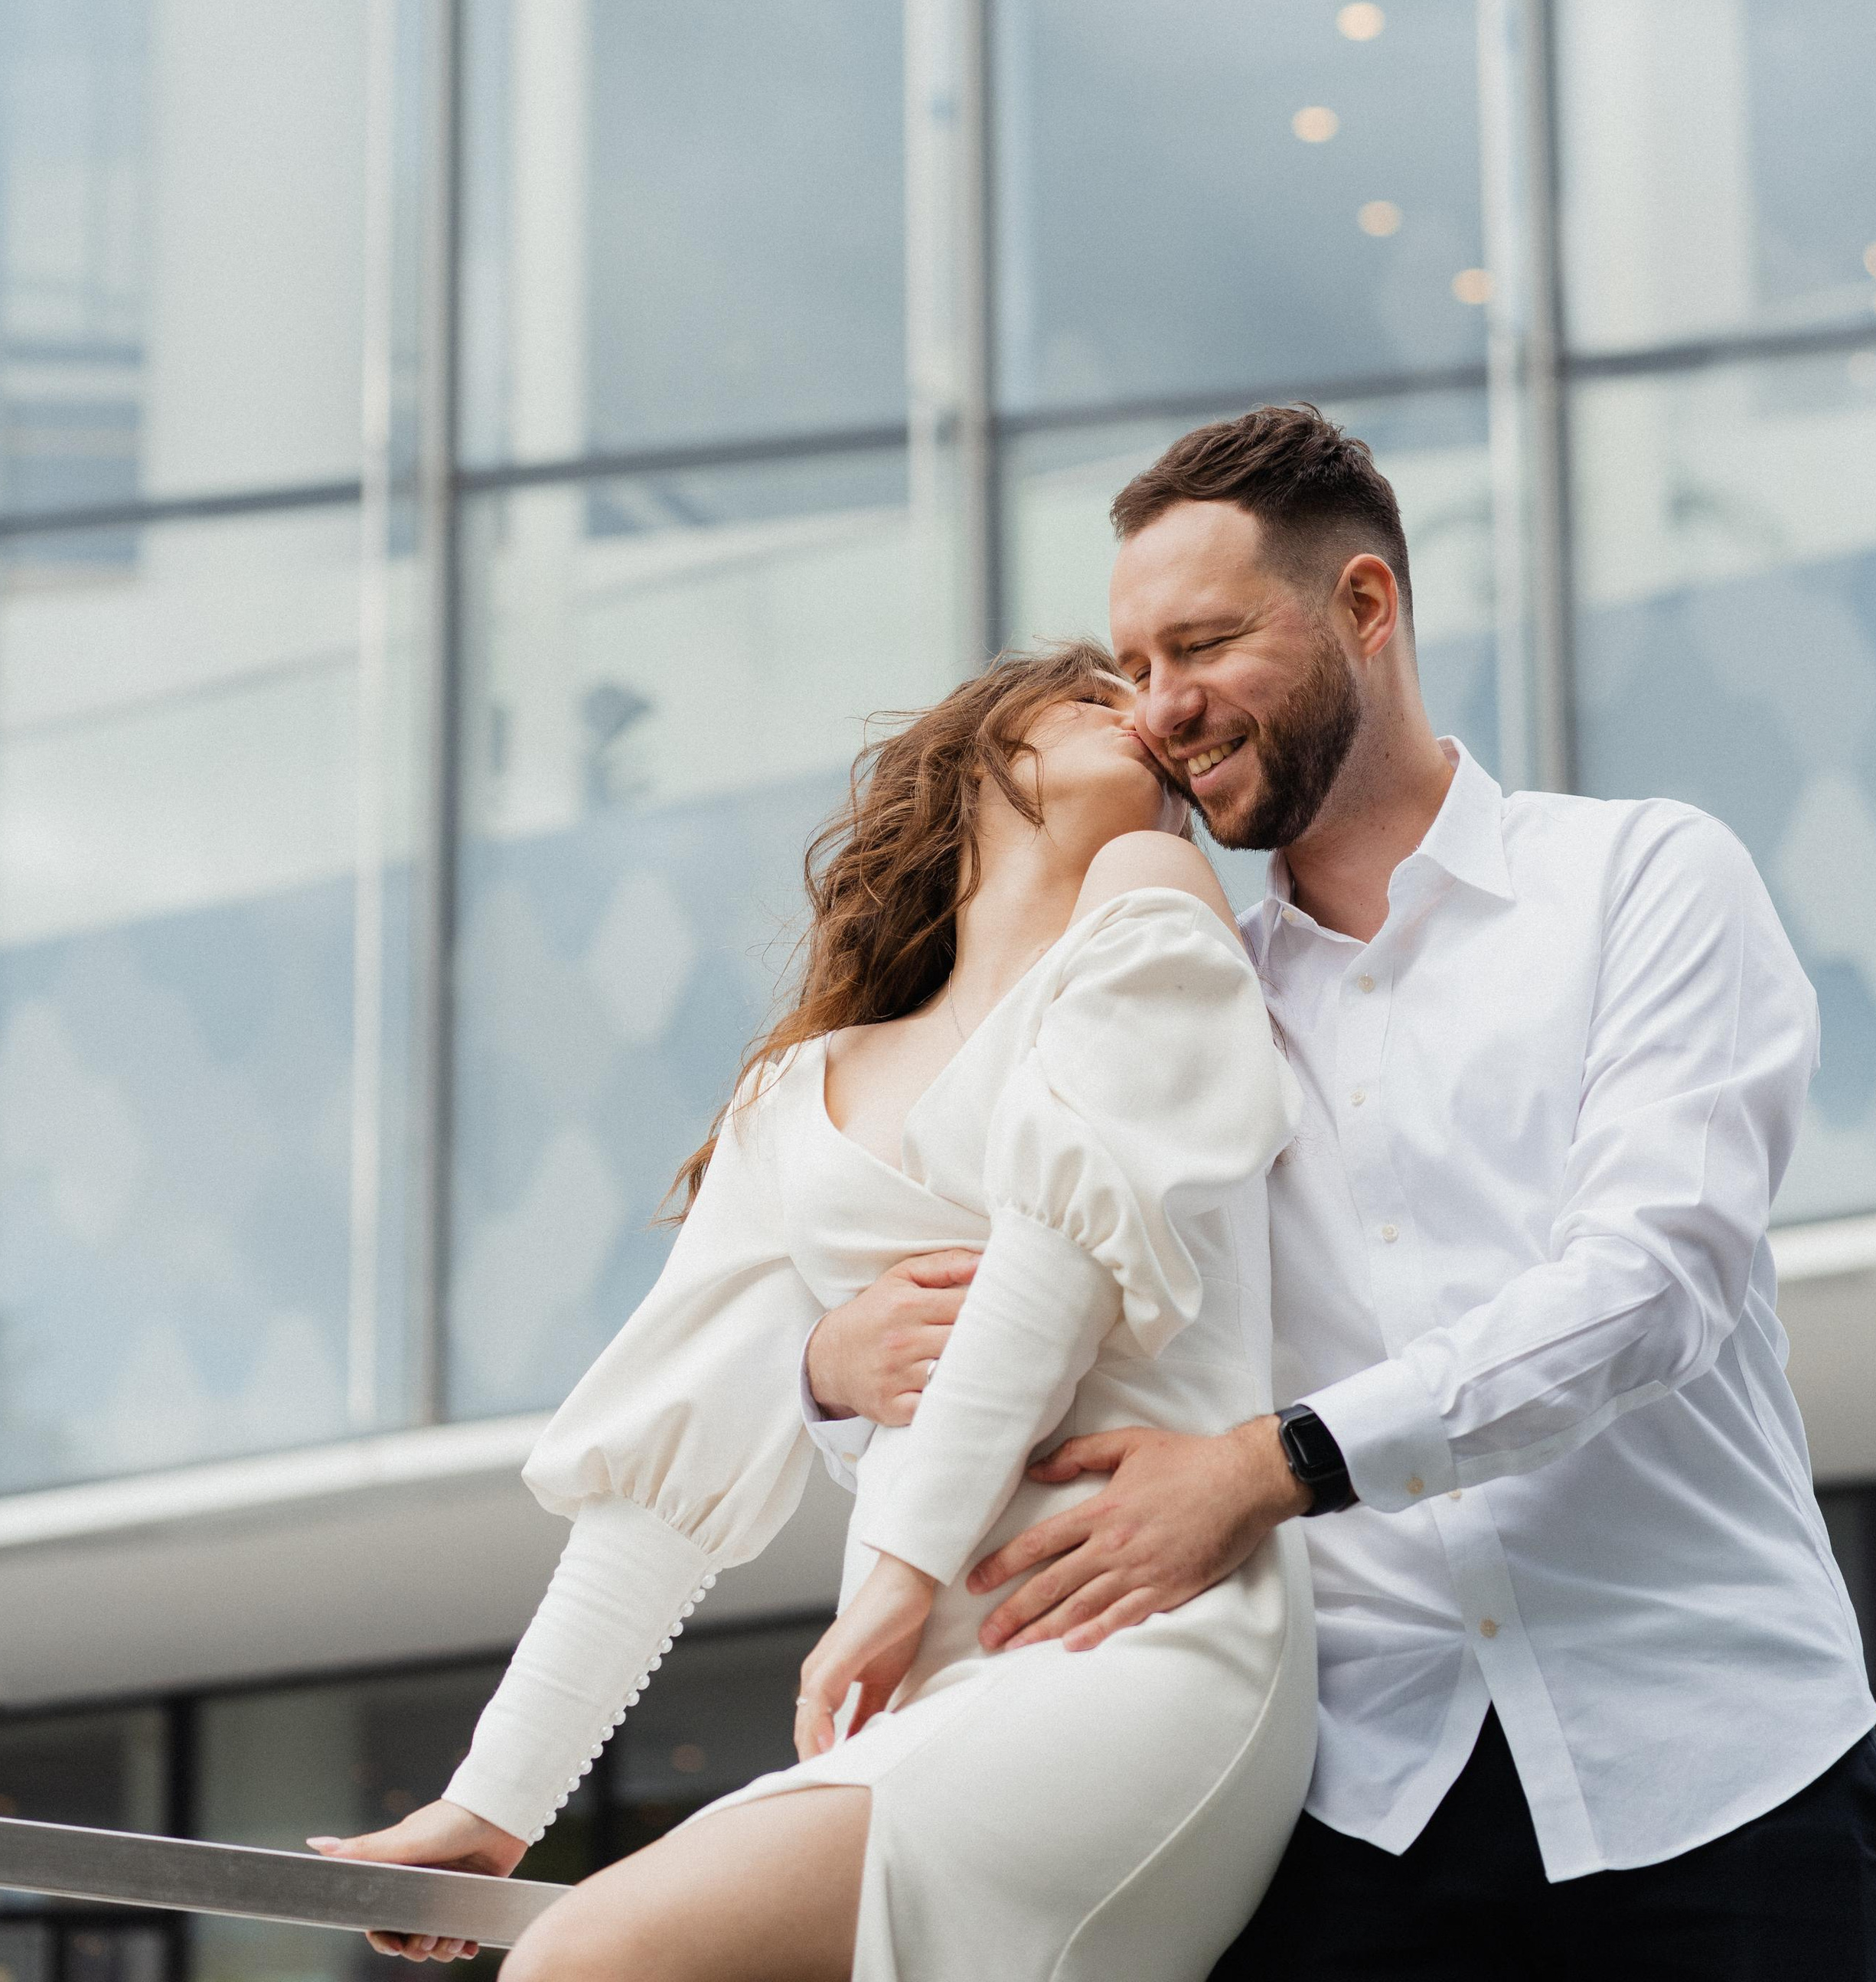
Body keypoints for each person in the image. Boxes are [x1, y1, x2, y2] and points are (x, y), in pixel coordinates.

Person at [801, 405, 1876, 1977]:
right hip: (1358, 1814)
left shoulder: (1642, 878)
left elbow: (1651, 1281)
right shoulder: (1179, 1007)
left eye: (1203, 646)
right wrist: (831, 1370)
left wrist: (1273, 1464)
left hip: (1714, 1781)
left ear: (1361, 609)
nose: (1162, 712)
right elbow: (1029, 1345)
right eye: (1137, 670)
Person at [315, 641, 1316, 1982]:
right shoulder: (797, 1097)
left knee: (590, 1960)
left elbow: (1053, 1268)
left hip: (1134, 1642)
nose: (1145, 715)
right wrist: (494, 1809)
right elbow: (663, 1488)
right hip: (915, 1679)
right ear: (982, 761)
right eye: (1093, 696)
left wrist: (895, 1580)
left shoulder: (1153, 896)